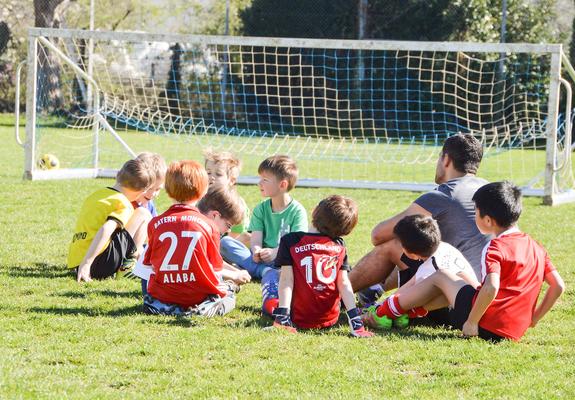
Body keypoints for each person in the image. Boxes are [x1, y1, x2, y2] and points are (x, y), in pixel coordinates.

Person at [370, 181, 565, 342]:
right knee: (457, 282)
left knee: (442, 276)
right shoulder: (536, 246)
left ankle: (382, 311)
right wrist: (534, 319)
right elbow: (558, 286)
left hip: (485, 324)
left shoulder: (496, 247)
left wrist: (471, 322)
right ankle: (405, 313)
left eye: (476, 212)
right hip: (514, 331)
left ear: (488, 220)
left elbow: (491, 287)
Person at [350, 133, 490, 305]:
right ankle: (374, 288)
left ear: (446, 159)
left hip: (453, 295)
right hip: (485, 297)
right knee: (421, 246)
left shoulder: (445, 195)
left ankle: (332, 294)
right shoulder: (491, 191)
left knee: (396, 244)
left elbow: (378, 235)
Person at [141, 161, 249, 317]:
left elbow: (149, 263)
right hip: (196, 296)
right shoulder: (209, 226)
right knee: (229, 296)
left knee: (155, 294)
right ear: (203, 190)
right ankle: (205, 309)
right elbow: (215, 268)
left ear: (168, 190)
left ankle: (160, 306)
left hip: (164, 295)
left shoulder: (155, 223)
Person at [270, 195, 373, 338]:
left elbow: (287, 280)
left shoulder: (290, 241)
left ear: (314, 211)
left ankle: (281, 315)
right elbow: (344, 283)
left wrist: (283, 314)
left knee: (270, 276)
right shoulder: (339, 245)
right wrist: (355, 320)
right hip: (330, 318)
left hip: (298, 317)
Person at [362, 214, 479, 329]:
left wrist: (381, 309)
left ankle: (384, 314)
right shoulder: (445, 247)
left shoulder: (431, 269)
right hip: (475, 300)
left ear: (410, 254)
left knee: (411, 299)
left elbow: (408, 293)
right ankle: (394, 311)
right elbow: (410, 284)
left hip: (464, 314)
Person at [68, 158, 155, 282]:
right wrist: (87, 263)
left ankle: (134, 259)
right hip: (98, 264)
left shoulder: (96, 195)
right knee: (143, 213)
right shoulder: (123, 203)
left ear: (118, 175)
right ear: (141, 192)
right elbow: (106, 228)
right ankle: (127, 267)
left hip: (76, 262)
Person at [226, 155, 308, 285]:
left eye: (265, 180)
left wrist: (275, 252)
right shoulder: (261, 209)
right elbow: (256, 238)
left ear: (282, 184)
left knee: (299, 259)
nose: (259, 183)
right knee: (225, 242)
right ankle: (265, 271)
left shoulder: (297, 211)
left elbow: (298, 244)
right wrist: (257, 250)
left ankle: (257, 270)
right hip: (263, 259)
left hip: (285, 259)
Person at [204, 149, 252, 256]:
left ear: (232, 180)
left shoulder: (235, 204)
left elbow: (235, 239)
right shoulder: (201, 199)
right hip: (208, 246)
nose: (212, 177)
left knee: (228, 244)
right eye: (208, 172)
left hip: (230, 250)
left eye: (218, 174)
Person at [132, 152, 167, 218]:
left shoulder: (149, 205)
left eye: (157, 189)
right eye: (149, 188)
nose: (153, 193)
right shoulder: (124, 204)